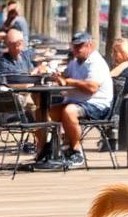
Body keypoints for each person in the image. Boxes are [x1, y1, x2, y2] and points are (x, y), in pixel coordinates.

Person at [35, 30, 111, 167]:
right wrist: (57, 76)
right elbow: (65, 77)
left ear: (90, 45)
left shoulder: (96, 62)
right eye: (74, 46)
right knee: (41, 112)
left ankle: (76, 150)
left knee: (69, 111)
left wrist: (69, 81)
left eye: (79, 46)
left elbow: (92, 88)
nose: (75, 49)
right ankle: (43, 150)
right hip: (75, 102)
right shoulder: (75, 62)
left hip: (96, 104)